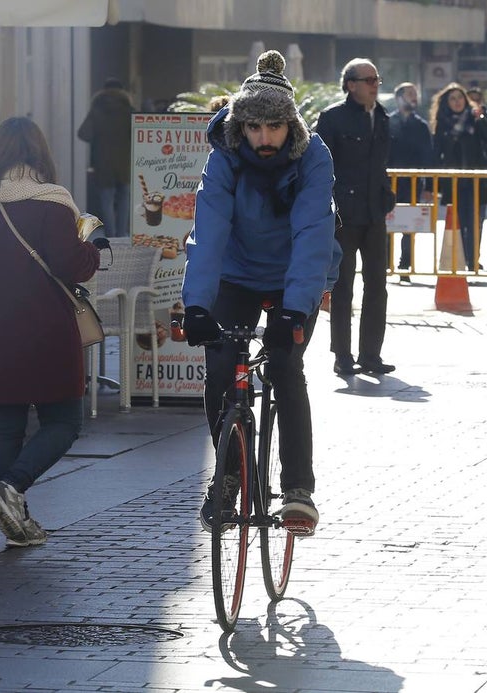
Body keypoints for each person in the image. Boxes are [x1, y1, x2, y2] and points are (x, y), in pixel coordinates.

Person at [181, 50, 338, 535]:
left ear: (290, 126)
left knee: (286, 365)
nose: (264, 139)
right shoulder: (225, 155)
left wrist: (296, 309)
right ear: (239, 126)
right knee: (220, 366)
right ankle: (227, 480)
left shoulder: (313, 155)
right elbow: (208, 231)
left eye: (274, 128)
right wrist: (197, 306)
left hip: (296, 271)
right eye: (254, 128)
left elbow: (313, 233)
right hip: (237, 272)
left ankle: (298, 489)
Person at [0, 117, 101, 548]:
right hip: (45, 331)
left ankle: (15, 521)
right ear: (39, 155)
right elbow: (73, 266)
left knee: (6, 427)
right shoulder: (53, 205)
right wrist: (92, 250)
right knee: (65, 421)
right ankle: (12, 486)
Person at [316, 58, 397, 376]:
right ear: (351, 84)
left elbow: (380, 164)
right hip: (343, 215)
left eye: (377, 79)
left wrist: (386, 193)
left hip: (374, 212)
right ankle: (342, 355)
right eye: (369, 80)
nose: (376, 85)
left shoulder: (382, 116)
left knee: (377, 284)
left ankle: (371, 354)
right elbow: (320, 167)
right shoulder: (333, 118)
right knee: (342, 286)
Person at [429, 81, 487, 272]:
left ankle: (473, 259)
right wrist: (432, 184)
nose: (457, 102)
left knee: (475, 221)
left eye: (460, 98)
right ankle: (460, 257)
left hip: (476, 178)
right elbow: (436, 153)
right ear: (446, 102)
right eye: (452, 99)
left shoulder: (477, 119)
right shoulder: (442, 123)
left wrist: (481, 118)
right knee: (457, 221)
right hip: (454, 180)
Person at [387, 82, 434, 283]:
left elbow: (429, 157)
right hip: (388, 181)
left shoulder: (421, 125)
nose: (414, 97)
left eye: (415, 93)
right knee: (387, 223)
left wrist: (430, 186)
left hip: (413, 182)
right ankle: (385, 263)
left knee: (408, 225)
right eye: (409, 94)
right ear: (399, 98)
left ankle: (405, 264)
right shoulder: (388, 122)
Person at [77, 78, 134, 238]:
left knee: (106, 200)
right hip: (125, 162)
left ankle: (110, 234)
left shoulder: (97, 110)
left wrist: (100, 136)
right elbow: (138, 134)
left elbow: (83, 133)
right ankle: (122, 233)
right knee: (124, 198)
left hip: (102, 162)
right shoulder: (128, 110)